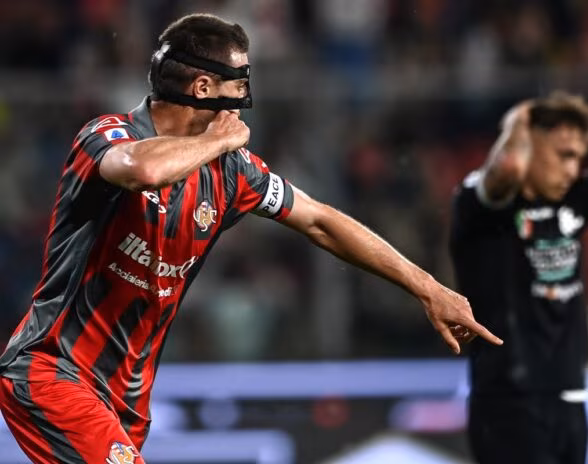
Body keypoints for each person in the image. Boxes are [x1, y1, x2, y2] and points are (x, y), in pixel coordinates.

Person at [0, 13, 502, 464]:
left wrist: (426, 287)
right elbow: (142, 170)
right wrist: (217, 139)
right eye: (238, 82)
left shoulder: (232, 172)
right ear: (202, 87)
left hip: (124, 400)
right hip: (53, 372)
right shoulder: (108, 136)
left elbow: (320, 220)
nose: (244, 99)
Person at [449, 92, 588, 464]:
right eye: (563, 155)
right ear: (530, 147)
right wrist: (519, 122)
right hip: (508, 400)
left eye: (578, 158)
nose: (572, 169)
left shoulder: (573, 201)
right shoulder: (482, 206)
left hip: (569, 397)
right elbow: (507, 168)